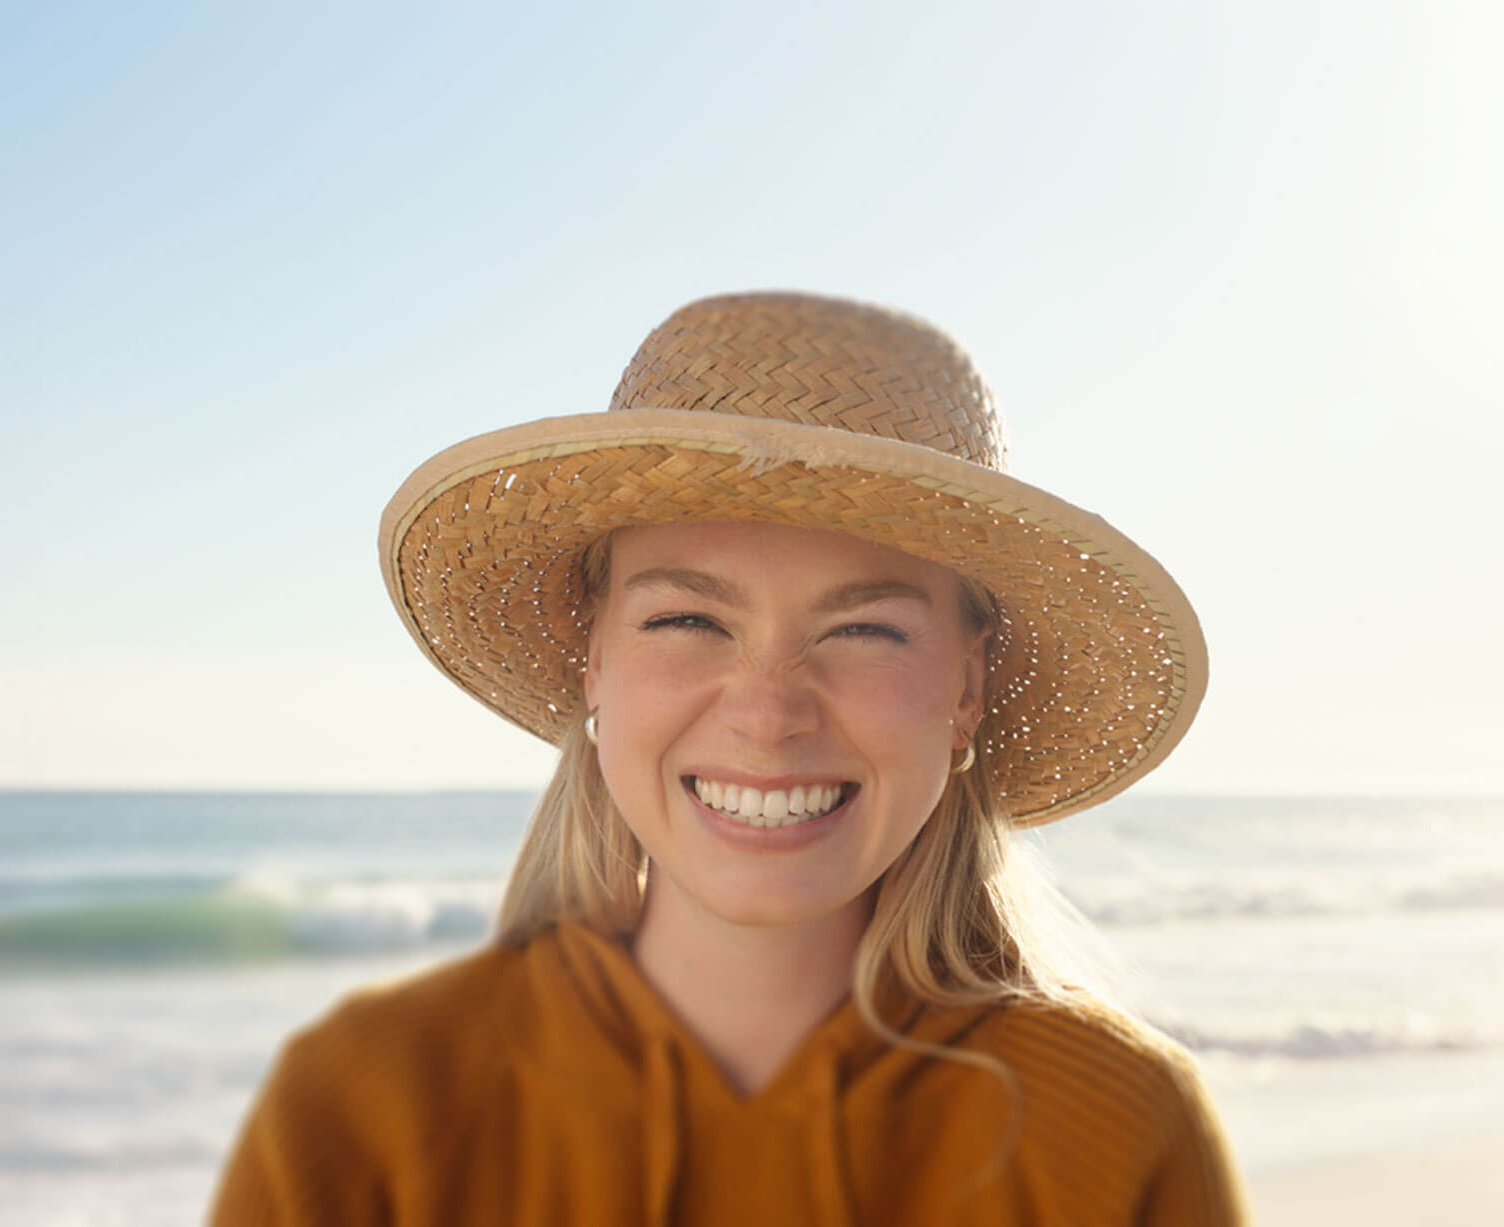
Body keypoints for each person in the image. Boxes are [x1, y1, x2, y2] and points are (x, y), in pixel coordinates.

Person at [210, 292, 1247, 1225]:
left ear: (967, 689)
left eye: (863, 631)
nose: (766, 714)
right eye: (689, 618)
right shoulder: (366, 1109)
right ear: (594, 659)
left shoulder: (1117, 1132)